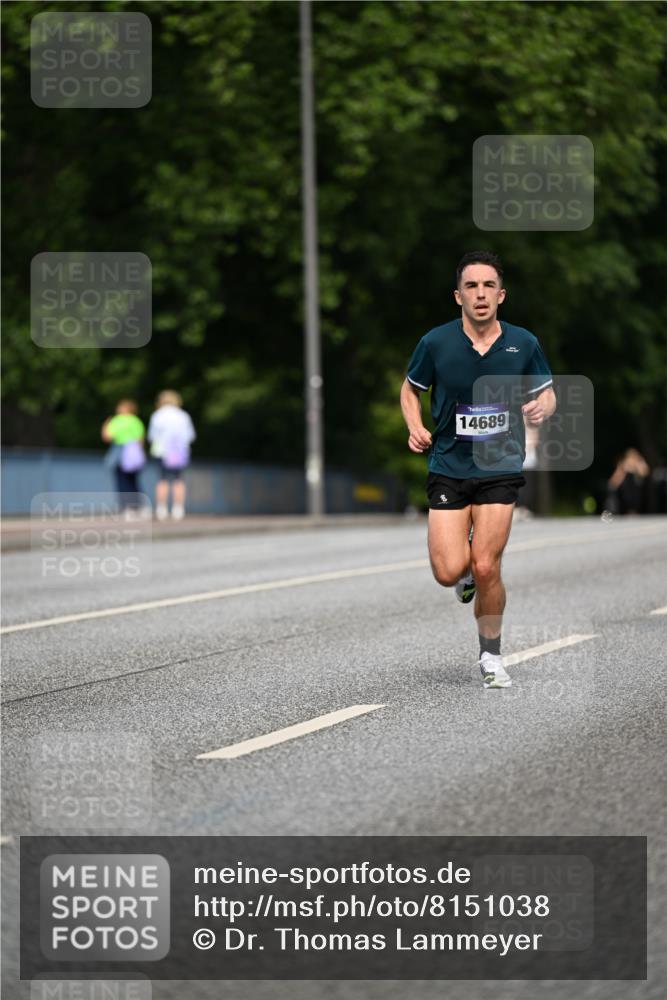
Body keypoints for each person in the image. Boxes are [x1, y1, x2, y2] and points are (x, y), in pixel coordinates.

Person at [400, 251, 557, 688]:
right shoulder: (436, 343)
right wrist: (414, 426)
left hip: (499, 464)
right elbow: (410, 390)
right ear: (458, 296)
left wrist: (542, 405)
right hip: (449, 463)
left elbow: (547, 392)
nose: (480, 294)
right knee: (449, 571)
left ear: (501, 295)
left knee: (488, 565)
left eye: (489, 286)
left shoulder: (523, 343)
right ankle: (464, 575)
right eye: (471, 286)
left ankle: (491, 657)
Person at [147, 390, 196, 520]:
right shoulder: (183, 416)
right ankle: (178, 509)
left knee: (162, 479)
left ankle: (161, 509)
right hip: (178, 451)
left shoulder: (157, 415)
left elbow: (152, 436)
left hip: (162, 451)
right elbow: (190, 436)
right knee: (178, 480)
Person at [101, 399, 146, 513]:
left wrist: (105, 425)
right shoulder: (136, 421)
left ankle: (126, 506)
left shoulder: (117, 420)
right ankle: (138, 506)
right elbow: (140, 440)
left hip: (120, 451)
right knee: (134, 480)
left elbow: (107, 437)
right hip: (133, 452)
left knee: (121, 480)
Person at [606, 448, 650, 515]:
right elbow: (615, 480)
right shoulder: (623, 464)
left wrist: (640, 462)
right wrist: (624, 469)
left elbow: (645, 472)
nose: (631, 460)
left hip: (636, 492)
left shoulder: (639, 463)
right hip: (626, 492)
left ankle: (633, 511)